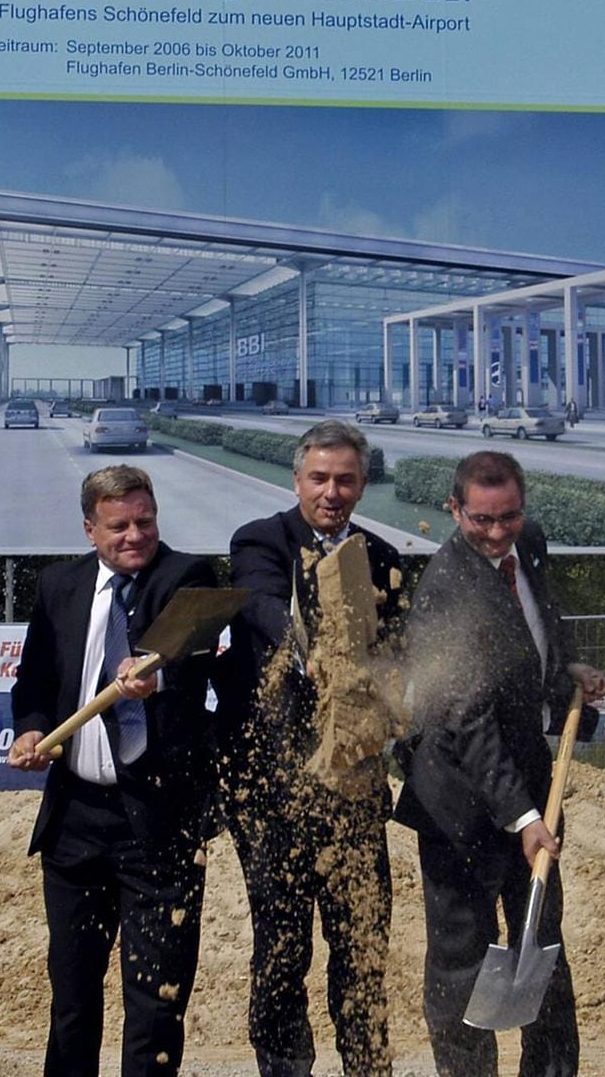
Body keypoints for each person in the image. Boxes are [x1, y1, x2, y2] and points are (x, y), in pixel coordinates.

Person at [395, 451, 605, 1077]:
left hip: (533, 785)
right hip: (460, 803)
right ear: (454, 509)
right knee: (461, 960)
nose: (496, 533)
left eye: (509, 517)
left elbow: (542, 620)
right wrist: (523, 819)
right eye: (481, 520)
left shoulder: (530, 544)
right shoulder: (444, 589)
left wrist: (564, 667)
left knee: (542, 946)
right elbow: (465, 720)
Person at [6, 466, 220, 1077]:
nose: (134, 535)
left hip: (159, 825)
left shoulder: (185, 577)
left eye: (144, 521)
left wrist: (160, 679)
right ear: (89, 529)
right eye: (118, 525)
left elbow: (191, 664)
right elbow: (36, 683)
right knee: (72, 998)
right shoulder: (57, 586)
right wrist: (30, 727)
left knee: (155, 1002)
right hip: (75, 821)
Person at [216, 420, 405, 1077]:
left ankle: (367, 1068)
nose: (332, 491)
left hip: (353, 793)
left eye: (345, 479)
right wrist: (313, 650)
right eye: (319, 478)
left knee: (362, 953)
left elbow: (400, 658)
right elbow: (265, 606)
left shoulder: (383, 557)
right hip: (275, 796)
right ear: (297, 479)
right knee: (282, 951)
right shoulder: (261, 542)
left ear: (362, 483)